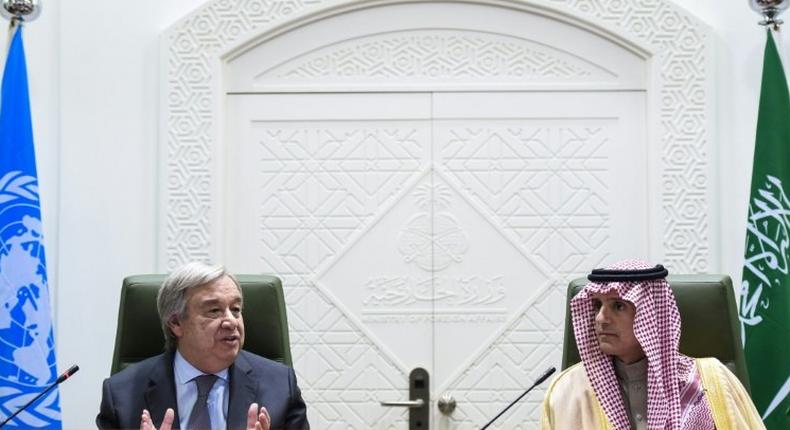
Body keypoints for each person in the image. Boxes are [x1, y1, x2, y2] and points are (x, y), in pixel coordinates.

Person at [540, 259, 764, 430]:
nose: (600, 318)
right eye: (597, 305)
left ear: (652, 314)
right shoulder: (567, 392)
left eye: (618, 306)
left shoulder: (713, 381)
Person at [96, 262, 309, 430]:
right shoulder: (122, 396)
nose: (231, 321)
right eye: (214, 311)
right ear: (176, 323)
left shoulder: (281, 388)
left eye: (235, 309)